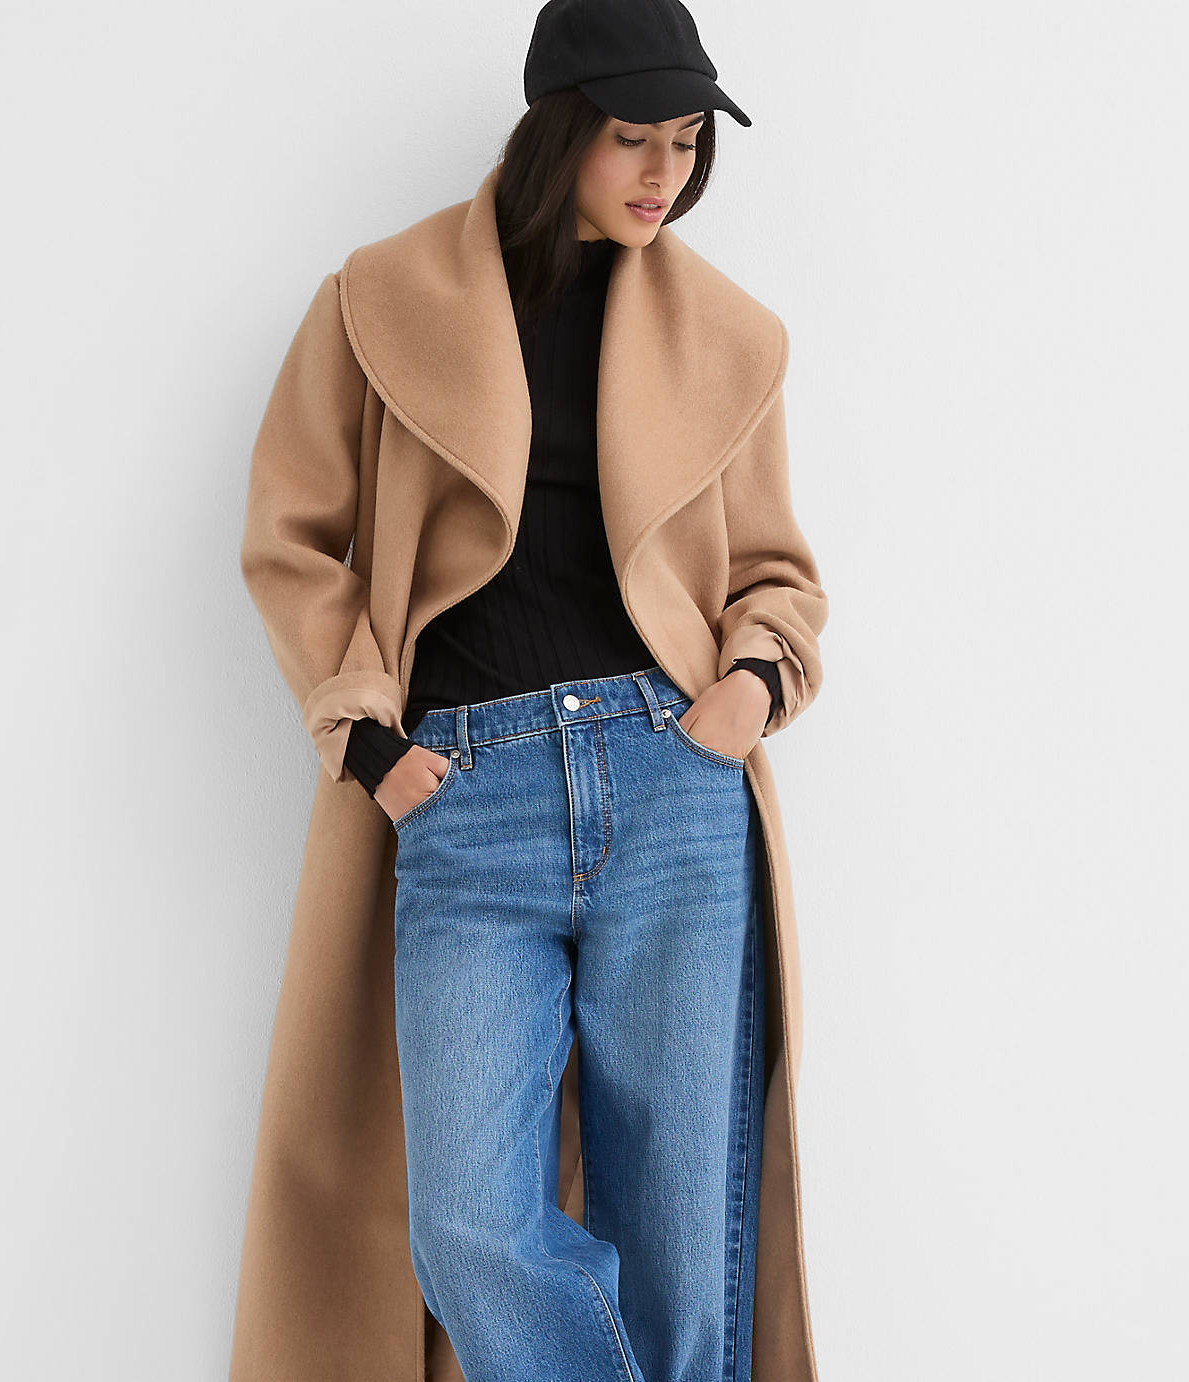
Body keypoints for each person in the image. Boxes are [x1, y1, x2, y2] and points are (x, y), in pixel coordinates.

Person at [233, 2, 828, 1380]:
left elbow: (777, 573)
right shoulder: (379, 302)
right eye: (634, 138)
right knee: (467, 1230)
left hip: (671, 781)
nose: (665, 173)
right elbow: (291, 540)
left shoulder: (728, 338)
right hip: (467, 792)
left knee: (681, 1233)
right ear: (557, 130)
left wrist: (747, 686)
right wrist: (368, 739)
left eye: (687, 143)